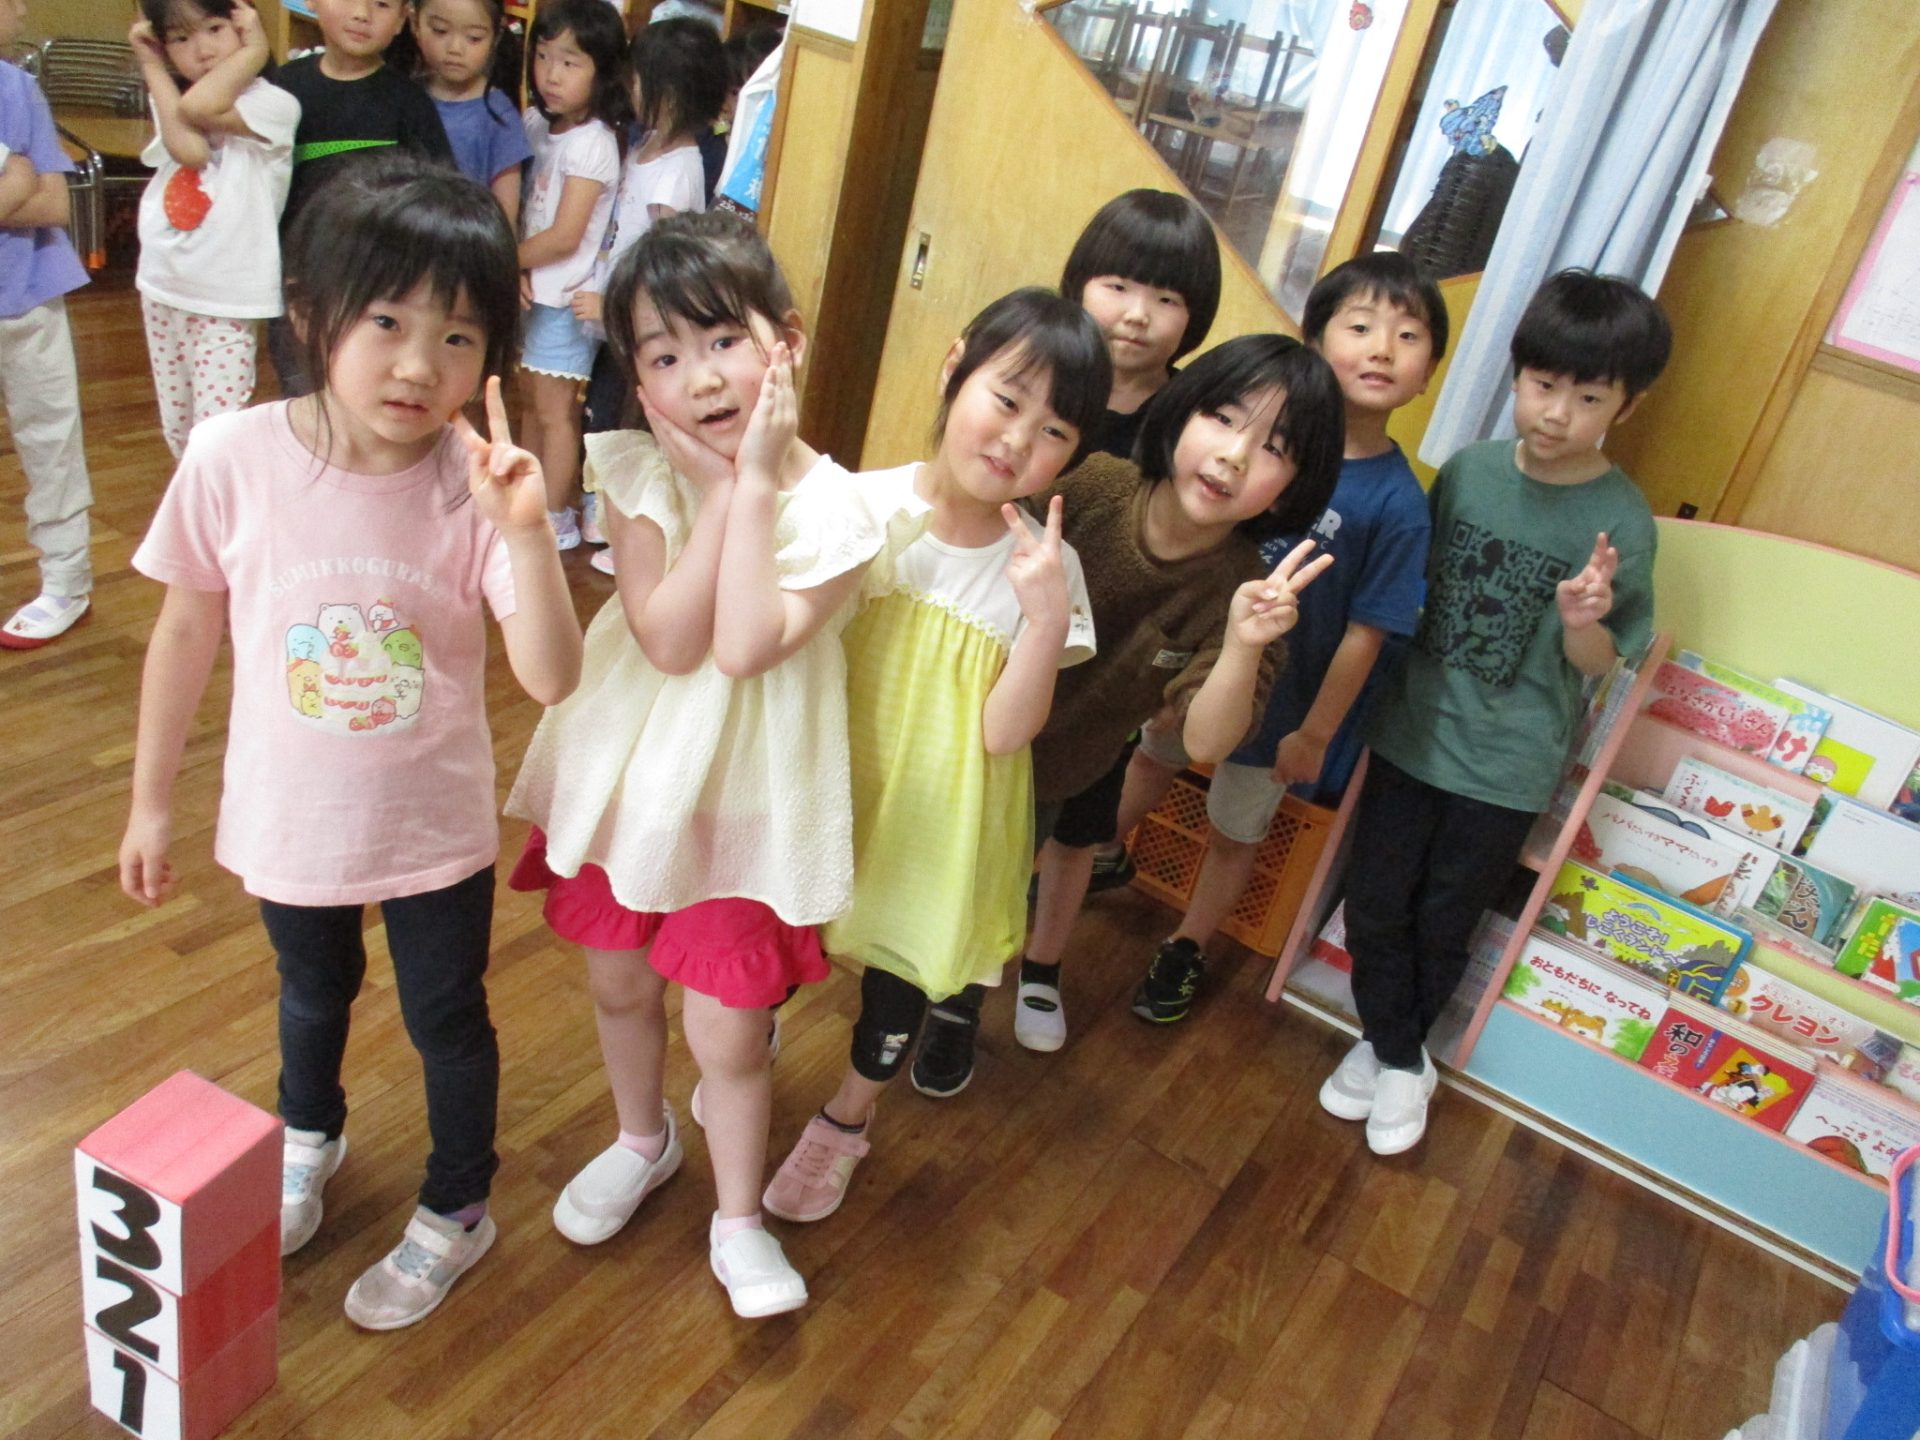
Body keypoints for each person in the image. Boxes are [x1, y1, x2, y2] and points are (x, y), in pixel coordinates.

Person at [117, 157, 583, 1330]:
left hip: (433, 830)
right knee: (310, 989)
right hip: (289, 814)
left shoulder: (473, 486)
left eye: (459, 337)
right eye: (387, 322)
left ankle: (459, 1203)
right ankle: (307, 1136)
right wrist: (150, 802)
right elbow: (184, 629)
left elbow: (551, 676)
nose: (421, 365)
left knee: (446, 1019)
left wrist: (528, 533)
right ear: (311, 312)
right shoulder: (232, 456)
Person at [505, 210, 927, 1318]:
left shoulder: (842, 508)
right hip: (637, 780)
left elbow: (742, 648)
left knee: (729, 1027)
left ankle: (739, 1217)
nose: (698, 377)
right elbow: (666, 639)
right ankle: (641, 1139)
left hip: (752, 795)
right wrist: (719, 495)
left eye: (724, 340)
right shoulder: (638, 472)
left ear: (787, 340)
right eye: (662, 355)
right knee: (616, 979)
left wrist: (749, 491)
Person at [761, 288, 1108, 1224]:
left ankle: (846, 1119)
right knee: (777, 934)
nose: (1017, 440)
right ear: (955, 367)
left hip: (937, 816)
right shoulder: (858, 503)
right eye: (1007, 399)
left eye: (1054, 431)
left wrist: (1045, 620)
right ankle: (747, 1049)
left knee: (901, 971)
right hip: (823, 781)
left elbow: (1005, 733)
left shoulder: (1048, 566)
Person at [1324, 267, 1671, 1156]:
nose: (1556, 414)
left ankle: (1386, 1053)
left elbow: (1602, 664)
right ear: (1516, 375)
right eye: (1543, 385)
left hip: (1510, 762)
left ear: (1626, 407)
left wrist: (1583, 620)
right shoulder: (1469, 472)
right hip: (1411, 732)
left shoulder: (1622, 520)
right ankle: (1400, 1057)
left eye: (1588, 398)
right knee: (1375, 902)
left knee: (1446, 921)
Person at [973, 335, 1344, 1068]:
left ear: (1294, 486)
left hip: (1065, 768)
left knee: (1003, 896)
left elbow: (1205, 742)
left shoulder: (1245, 592)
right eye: (1223, 418)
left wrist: (1242, 643)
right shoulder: (1088, 486)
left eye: (1273, 448)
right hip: (969, 730)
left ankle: (989, 993)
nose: (1234, 455)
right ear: (1180, 412)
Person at [1110, 252, 1444, 1022]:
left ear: (1430, 373)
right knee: (1151, 757)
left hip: (1283, 709)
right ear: (1315, 339)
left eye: (1406, 337)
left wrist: (1313, 733)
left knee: (1235, 830)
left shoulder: (1398, 504)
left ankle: (1187, 944)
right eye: (1360, 327)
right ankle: (1096, 851)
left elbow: (1368, 633)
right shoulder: (1256, 455)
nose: (1381, 349)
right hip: (1193, 671)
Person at [575, 15, 728, 572]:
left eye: (641, 80)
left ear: (673, 91)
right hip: (616, 316)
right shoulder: (646, 147)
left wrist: (615, 308)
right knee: (601, 416)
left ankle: (634, 538)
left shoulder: (678, 170)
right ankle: (609, 521)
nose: (632, 89)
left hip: (639, 325)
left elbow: (667, 269)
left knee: (628, 427)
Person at [128, 0, 299, 458]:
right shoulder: (174, 94)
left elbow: (200, 109)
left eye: (215, 29)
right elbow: (189, 148)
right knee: (178, 431)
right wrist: (152, 65)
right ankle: (193, 504)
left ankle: (217, 505)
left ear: (242, 22)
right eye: (181, 39)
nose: (202, 50)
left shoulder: (274, 103)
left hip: (225, 297)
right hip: (162, 284)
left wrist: (256, 49)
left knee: (214, 436)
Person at [268, 0, 454, 395]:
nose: (361, 14)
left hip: (376, 280)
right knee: (301, 386)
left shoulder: (408, 102)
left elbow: (437, 193)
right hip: (296, 273)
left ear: (403, 19)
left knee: (365, 385)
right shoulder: (284, 87)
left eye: (382, 4)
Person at [517, 0, 629, 551]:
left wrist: (507, 261)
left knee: (555, 413)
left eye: (569, 62)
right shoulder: (537, 123)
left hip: (563, 298)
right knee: (530, 406)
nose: (551, 74)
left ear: (601, 73)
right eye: (543, 57)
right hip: (532, 289)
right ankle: (525, 504)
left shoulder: (594, 143)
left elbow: (565, 236)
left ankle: (556, 515)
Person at [0, 0, 94, 651]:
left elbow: (52, 200)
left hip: (27, 293)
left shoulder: (16, 87)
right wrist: (13, 182)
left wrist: (25, 182)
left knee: (50, 438)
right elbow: (23, 188)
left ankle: (67, 579)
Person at [1062, 188, 1222, 462]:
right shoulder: (1038, 379)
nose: (1137, 315)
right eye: (1118, 287)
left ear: (1196, 316)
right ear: (1079, 285)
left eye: (1166, 299)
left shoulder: (1192, 418)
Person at [405, 0, 532, 220]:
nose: (455, 49)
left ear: (496, 37)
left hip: (469, 239)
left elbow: (504, 218)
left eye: (474, 38)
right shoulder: (403, 97)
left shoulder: (499, 116)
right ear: (415, 23)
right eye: (440, 31)